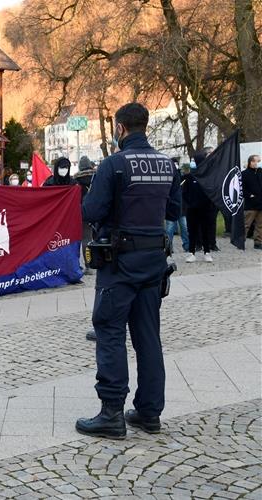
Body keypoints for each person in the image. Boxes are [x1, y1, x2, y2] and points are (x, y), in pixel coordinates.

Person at [76, 102, 181, 440]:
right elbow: (174, 210)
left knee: (108, 331)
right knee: (148, 336)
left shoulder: (114, 164)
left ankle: (111, 413)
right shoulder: (167, 165)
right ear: (144, 126)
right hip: (153, 261)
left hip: (119, 262)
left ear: (120, 128)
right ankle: (150, 412)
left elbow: (92, 210)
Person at [181, 151, 215, 263]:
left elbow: (211, 192)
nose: (192, 163)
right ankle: (191, 253)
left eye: (193, 161)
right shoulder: (189, 177)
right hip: (192, 209)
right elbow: (184, 193)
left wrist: (209, 204)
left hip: (206, 209)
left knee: (206, 231)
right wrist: (189, 204)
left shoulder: (208, 176)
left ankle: (207, 252)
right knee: (192, 231)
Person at [75, 156, 96, 275]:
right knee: (99, 237)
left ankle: (88, 265)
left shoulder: (76, 180)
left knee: (86, 239)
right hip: (98, 209)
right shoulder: (97, 176)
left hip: (83, 211)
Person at [165, 161, 190, 253]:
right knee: (169, 229)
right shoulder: (168, 179)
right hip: (171, 208)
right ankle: (168, 247)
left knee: (185, 228)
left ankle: (187, 246)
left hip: (182, 208)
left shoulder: (183, 178)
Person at [242, 154, 262, 249]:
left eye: (257, 161)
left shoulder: (260, 172)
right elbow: (242, 188)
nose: (256, 163)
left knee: (260, 225)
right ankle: (241, 241)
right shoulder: (244, 174)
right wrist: (250, 195)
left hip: (260, 204)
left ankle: (258, 243)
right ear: (250, 162)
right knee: (246, 224)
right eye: (254, 161)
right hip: (250, 204)